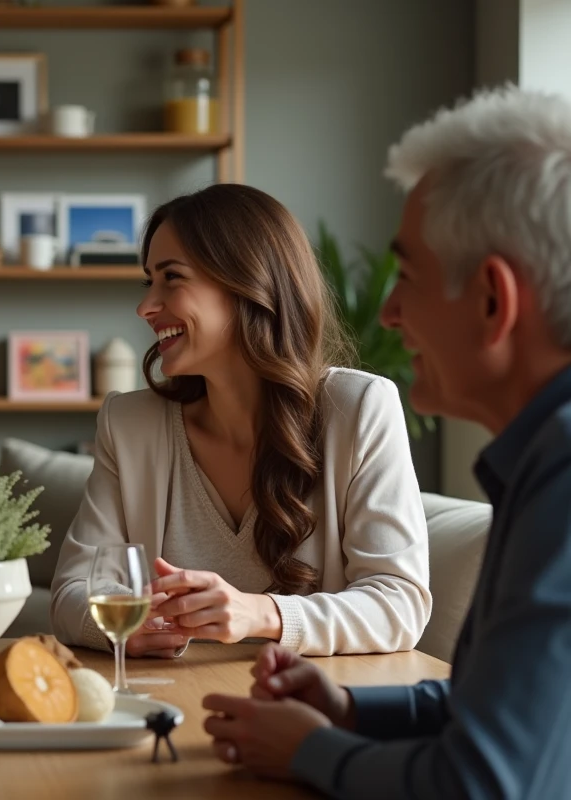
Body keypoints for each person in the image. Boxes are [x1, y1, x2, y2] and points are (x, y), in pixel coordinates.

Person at [201, 85, 571, 797]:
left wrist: (314, 753)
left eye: (408, 276)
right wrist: (347, 709)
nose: (392, 312)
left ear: (494, 301)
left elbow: (481, 783)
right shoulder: (541, 457)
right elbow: (493, 704)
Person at [49, 183, 431, 658]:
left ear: (246, 283)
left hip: (305, 710)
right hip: (170, 703)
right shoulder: (130, 425)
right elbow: (70, 593)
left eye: (172, 278)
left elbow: (399, 605)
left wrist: (262, 614)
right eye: (149, 282)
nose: (146, 307)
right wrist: (125, 627)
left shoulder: (360, 408)